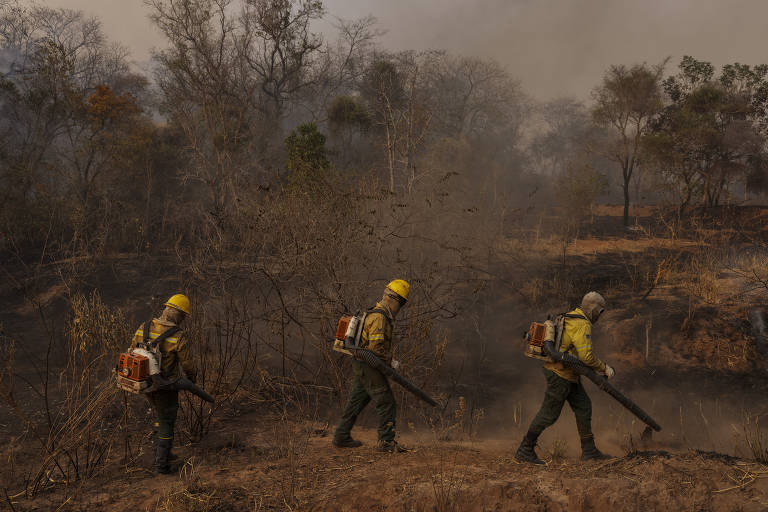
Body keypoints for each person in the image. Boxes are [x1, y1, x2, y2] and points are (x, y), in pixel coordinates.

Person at [515, 291, 615, 464]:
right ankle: (525, 449)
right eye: (600, 311)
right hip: (560, 374)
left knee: (583, 406)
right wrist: (604, 367)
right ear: (594, 309)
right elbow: (586, 357)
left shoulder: (571, 315)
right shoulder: (582, 324)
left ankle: (589, 451)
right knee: (549, 414)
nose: (599, 315)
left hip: (568, 373)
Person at [332, 279, 410, 452]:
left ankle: (341, 436)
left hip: (362, 363)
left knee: (357, 401)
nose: (400, 307)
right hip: (368, 364)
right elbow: (374, 350)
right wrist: (391, 363)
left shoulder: (377, 314)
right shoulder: (379, 318)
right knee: (386, 402)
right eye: (401, 302)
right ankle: (386, 442)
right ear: (394, 299)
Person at [129, 294, 197, 474]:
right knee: (167, 420)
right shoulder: (178, 336)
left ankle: (162, 452)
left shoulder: (144, 327)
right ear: (179, 315)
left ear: (166, 308)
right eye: (183, 316)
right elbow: (188, 364)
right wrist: (191, 380)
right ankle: (162, 465)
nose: (182, 320)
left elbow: (132, 351)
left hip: (145, 384)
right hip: (165, 386)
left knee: (160, 416)